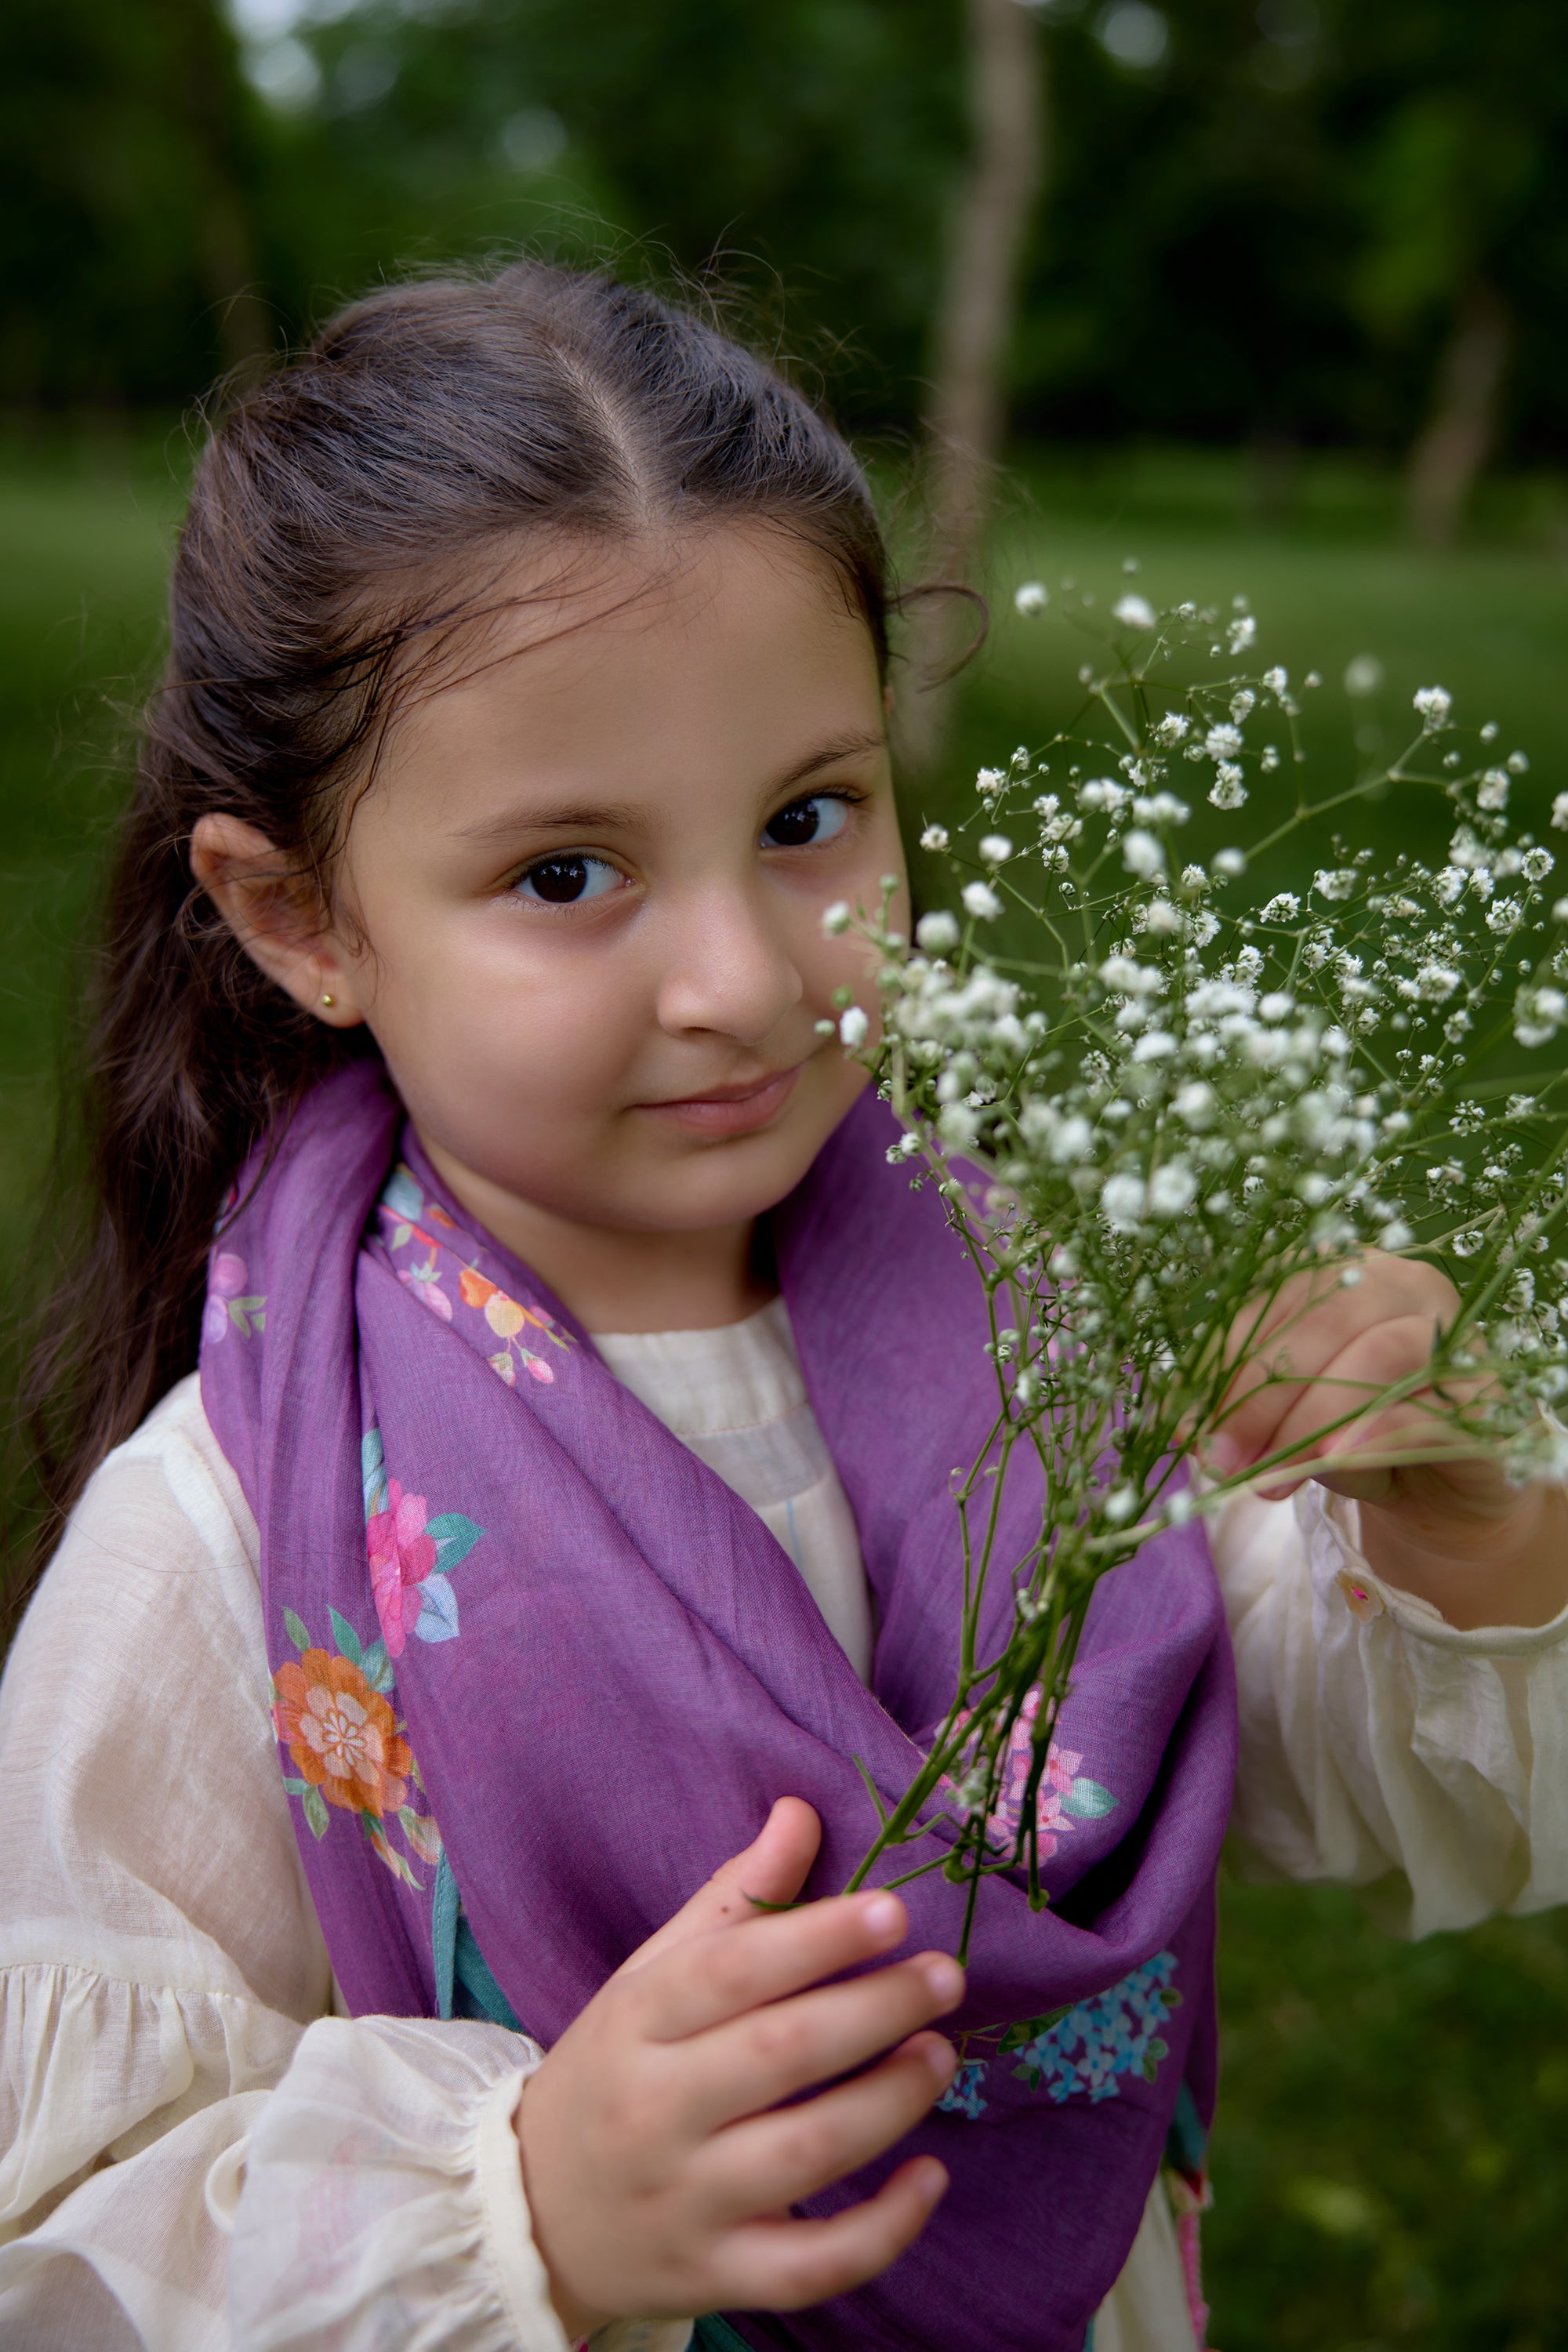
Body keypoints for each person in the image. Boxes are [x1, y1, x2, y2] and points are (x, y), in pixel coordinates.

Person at [0, 262, 1564, 2352]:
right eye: (569, 873)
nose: (741, 975)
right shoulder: (229, 1543)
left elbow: (1296, 1739)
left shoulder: (1040, 1336)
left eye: (810, 818)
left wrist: (1451, 1529)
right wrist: (528, 2209)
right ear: (299, 920)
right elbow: (71, 2238)